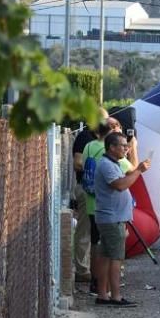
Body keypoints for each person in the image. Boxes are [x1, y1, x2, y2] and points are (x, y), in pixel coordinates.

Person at [93, 131, 151, 307]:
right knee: (116, 258)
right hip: (112, 218)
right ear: (112, 147)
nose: (126, 149)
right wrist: (139, 170)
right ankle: (115, 296)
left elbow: (123, 180)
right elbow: (120, 185)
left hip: (112, 217)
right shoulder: (106, 165)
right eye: (123, 146)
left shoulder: (113, 163)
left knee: (105, 256)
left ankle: (103, 294)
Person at [71, 109, 107, 282]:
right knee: (85, 230)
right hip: (86, 189)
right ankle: (82, 269)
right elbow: (77, 163)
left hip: (100, 191)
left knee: (96, 232)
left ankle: (94, 269)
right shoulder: (85, 137)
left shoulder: (106, 140)